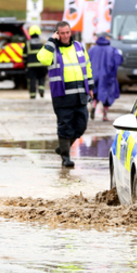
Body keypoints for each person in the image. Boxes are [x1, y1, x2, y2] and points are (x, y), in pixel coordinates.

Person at [37, 21, 94, 167]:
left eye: (67, 32)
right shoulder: (52, 49)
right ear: (57, 33)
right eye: (62, 33)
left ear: (71, 32)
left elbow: (87, 66)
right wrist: (50, 41)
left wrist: (91, 86)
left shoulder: (79, 46)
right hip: (62, 95)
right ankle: (66, 157)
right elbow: (42, 58)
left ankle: (63, 147)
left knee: (81, 125)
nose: (65, 36)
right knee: (65, 126)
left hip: (80, 93)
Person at [88, 32, 123, 121]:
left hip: (93, 75)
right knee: (107, 96)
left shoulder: (92, 49)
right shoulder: (112, 50)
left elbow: (85, 61)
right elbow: (119, 60)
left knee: (95, 94)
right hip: (107, 76)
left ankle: (94, 104)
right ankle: (105, 115)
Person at [23, 25, 48, 99]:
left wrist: (25, 64)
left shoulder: (28, 43)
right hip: (42, 64)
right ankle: (41, 89)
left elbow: (24, 55)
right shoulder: (43, 42)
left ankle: (32, 95)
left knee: (32, 80)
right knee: (42, 77)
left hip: (31, 65)